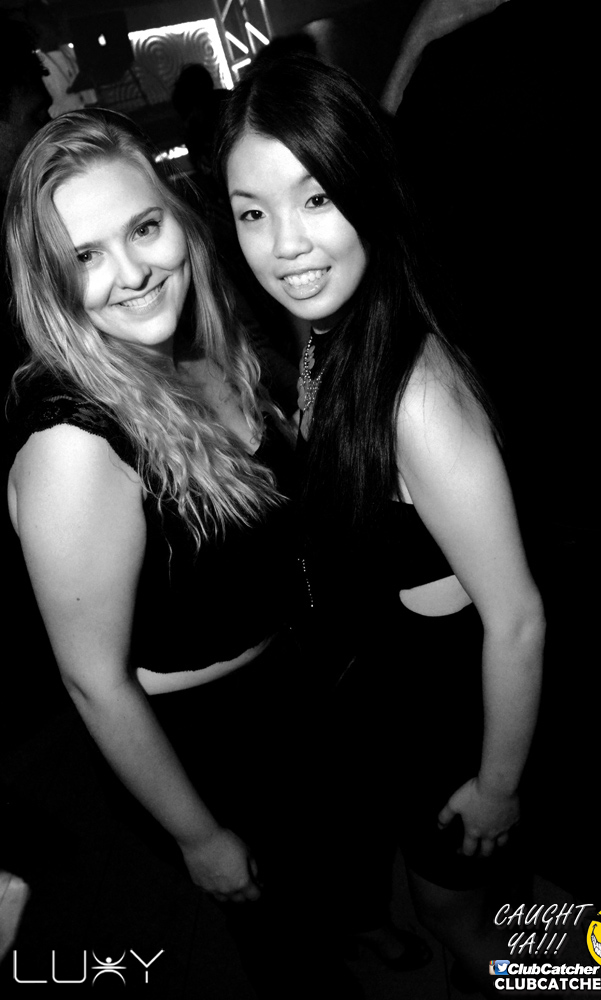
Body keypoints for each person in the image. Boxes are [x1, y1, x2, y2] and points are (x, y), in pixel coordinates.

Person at [3, 108, 362, 998]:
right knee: (286, 957)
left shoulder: (200, 347)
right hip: (209, 747)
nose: (132, 273)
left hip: (291, 689)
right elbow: (95, 682)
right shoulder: (75, 447)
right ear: (48, 280)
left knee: (328, 895)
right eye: (85, 257)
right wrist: (199, 836)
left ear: (179, 217)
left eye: (143, 228)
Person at [215, 54, 546, 993]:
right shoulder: (332, 333)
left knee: (456, 914)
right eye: (252, 213)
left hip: (454, 726)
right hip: (398, 709)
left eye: (316, 199)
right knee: (457, 907)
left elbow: (519, 619)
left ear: (366, 188)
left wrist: (498, 786)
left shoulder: (417, 397)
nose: (285, 245)